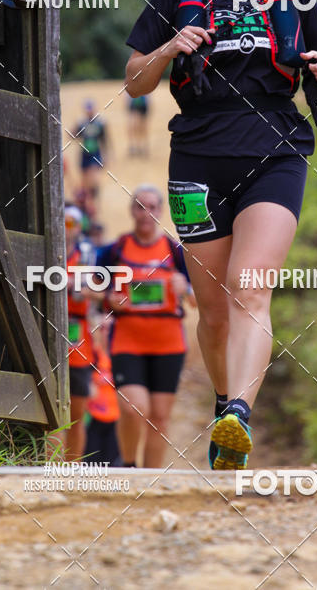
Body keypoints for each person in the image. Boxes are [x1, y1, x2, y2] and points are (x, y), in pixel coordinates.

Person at [124, 0, 317, 469]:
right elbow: (136, 83)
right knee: (213, 309)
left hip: (275, 152)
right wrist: (170, 48)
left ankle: (238, 414)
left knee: (250, 289)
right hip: (196, 158)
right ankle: (224, 402)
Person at [98, 184, 195, 468]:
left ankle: (152, 482)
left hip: (169, 343)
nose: (146, 213)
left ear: (161, 211)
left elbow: (199, 300)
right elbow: (92, 289)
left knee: (160, 419)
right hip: (128, 341)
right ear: (132, 211)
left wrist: (185, 288)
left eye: (152, 207)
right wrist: (108, 298)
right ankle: (129, 465)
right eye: (140, 206)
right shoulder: (115, 251)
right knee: (132, 408)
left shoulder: (176, 252)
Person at [57, 204, 97, 460]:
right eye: (62, 222)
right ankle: (49, 469)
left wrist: (78, 285)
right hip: (50, 336)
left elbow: (101, 289)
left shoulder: (87, 256)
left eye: (71, 223)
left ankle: (73, 470)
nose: (65, 228)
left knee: (76, 416)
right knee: (51, 417)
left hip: (78, 341)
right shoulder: (46, 252)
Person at [84, 313, 121, 465]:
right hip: (93, 419)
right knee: (90, 464)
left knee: (113, 466)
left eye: (110, 328)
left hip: (116, 420)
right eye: (102, 328)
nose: (106, 332)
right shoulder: (92, 356)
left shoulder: (123, 357)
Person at [74, 100, 109, 205]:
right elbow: (74, 135)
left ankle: (94, 202)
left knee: (94, 179)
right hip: (85, 154)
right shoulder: (82, 123)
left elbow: (104, 140)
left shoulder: (100, 123)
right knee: (85, 182)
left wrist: (106, 155)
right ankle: (87, 203)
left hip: (95, 153)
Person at [126, 92, 150, 157]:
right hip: (135, 102)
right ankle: (134, 146)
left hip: (142, 103)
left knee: (142, 127)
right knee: (134, 126)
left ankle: (142, 146)